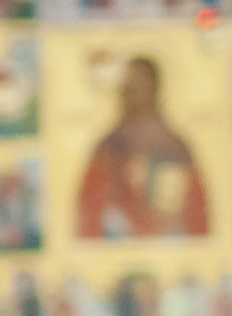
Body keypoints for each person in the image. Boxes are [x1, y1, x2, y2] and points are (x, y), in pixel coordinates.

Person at [75, 55, 208, 238]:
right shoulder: (108, 144)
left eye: (141, 83)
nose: (134, 91)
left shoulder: (175, 145)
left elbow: (197, 212)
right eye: (129, 85)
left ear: (155, 87)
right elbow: (88, 208)